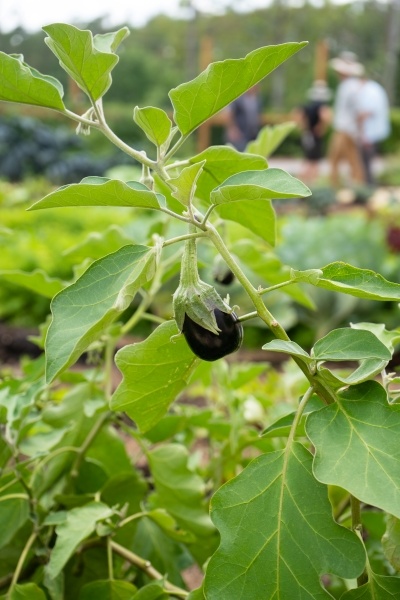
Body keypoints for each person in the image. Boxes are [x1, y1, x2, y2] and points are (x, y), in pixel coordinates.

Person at [328, 51, 366, 188]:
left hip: (345, 129)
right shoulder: (352, 86)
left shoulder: (348, 87)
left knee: (336, 160)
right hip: (349, 129)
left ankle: (338, 187)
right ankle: (355, 187)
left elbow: (358, 110)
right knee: (352, 160)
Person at [293, 80, 332, 184]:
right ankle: (310, 182)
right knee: (314, 162)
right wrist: (322, 127)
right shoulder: (321, 106)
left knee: (307, 159)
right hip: (315, 137)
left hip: (308, 135)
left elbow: (297, 114)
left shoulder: (309, 105)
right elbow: (326, 117)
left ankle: (304, 181)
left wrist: (303, 128)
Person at [356, 75, 390, 185]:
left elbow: (366, 112)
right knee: (368, 160)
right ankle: (369, 183)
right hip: (374, 131)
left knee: (366, 160)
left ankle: (369, 184)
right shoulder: (376, 88)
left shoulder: (370, 91)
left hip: (369, 132)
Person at [223, 85, 262, 151]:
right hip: (239, 133)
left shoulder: (256, 99)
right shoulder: (238, 98)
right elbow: (229, 114)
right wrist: (232, 129)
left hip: (252, 134)